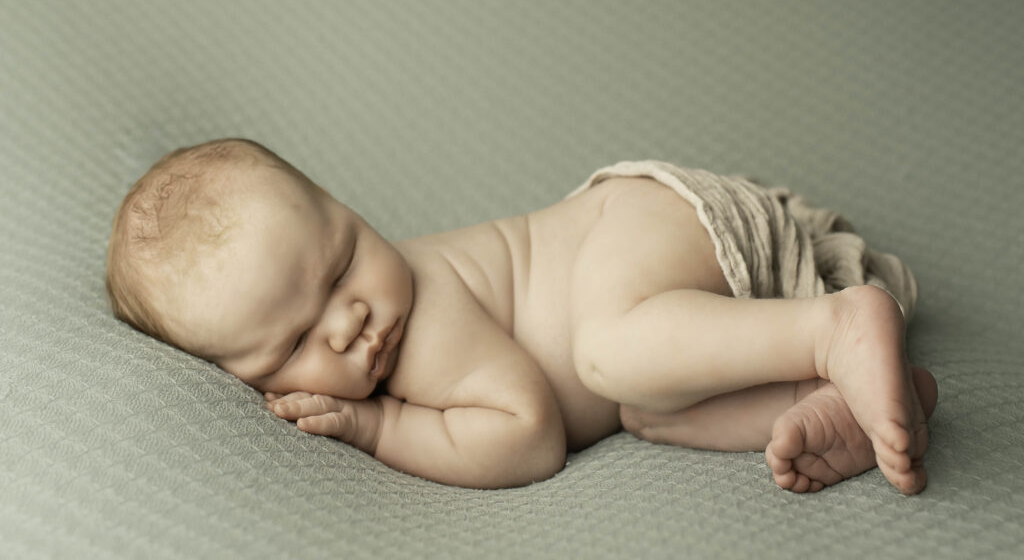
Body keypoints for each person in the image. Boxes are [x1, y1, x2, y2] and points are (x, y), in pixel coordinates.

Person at [106, 138, 937, 493]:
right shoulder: (373, 316)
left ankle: (832, 326)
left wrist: (375, 428)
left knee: (607, 355)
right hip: (666, 287)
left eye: (344, 259)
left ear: (346, 205)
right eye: (293, 341)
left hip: (650, 222)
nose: (351, 317)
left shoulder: (420, 330)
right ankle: (844, 393)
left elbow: (531, 433)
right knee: (647, 407)